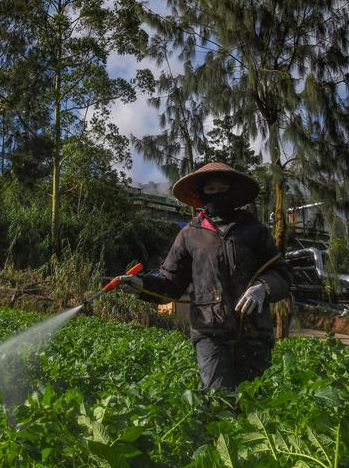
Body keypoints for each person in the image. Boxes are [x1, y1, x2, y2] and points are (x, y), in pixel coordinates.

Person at [113, 163, 292, 390]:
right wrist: (141, 285)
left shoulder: (254, 230)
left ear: (233, 192)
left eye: (222, 187)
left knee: (254, 401)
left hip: (254, 333)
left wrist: (263, 287)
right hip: (210, 333)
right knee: (219, 400)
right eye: (210, 189)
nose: (217, 193)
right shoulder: (189, 234)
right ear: (201, 194)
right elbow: (171, 283)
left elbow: (282, 274)